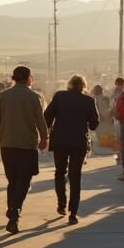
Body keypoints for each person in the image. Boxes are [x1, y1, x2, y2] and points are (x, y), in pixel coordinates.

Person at [0, 65, 49, 234]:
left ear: (13, 78)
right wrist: (44, 138)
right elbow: (40, 120)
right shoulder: (34, 97)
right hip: (26, 145)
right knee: (24, 181)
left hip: (7, 144)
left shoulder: (3, 96)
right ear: (29, 78)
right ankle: (14, 212)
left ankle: (12, 212)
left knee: (13, 181)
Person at [44, 75, 100, 224]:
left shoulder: (59, 96)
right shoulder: (88, 101)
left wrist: (44, 135)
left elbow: (47, 117)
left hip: (60, 141)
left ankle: (61, 204)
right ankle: (73, 213)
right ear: (83, 86)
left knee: (60, 172)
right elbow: (94, 124)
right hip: (79, 142)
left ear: (69, 84)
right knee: (75, 175)